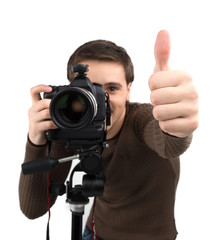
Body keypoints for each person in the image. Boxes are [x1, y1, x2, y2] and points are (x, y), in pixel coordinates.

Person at [19, 30, 199, 240]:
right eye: (89, 92)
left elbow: (169, 143)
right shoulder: (70, 124)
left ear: (128, 91)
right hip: (94, 232)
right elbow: (34, 209)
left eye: (111, 89)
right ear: (71, 91)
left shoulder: (141, 119)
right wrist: (36, 141)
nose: (99, 103)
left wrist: (177, 126)